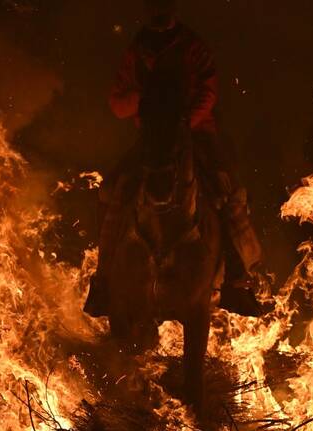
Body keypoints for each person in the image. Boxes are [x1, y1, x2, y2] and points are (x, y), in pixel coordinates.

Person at [85, 0, 268, 317]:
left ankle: (237, 280)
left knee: (225, 191)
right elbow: (117, 102)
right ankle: (104, 281)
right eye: (154, 9)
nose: (159, 14)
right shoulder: (137, 51)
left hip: (195, 134)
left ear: (173, 11)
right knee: (112, 190)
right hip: (152, 139)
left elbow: (208, 93)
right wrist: (145, 103)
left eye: (164, 8)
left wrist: (182, 123)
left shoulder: (192, 47)